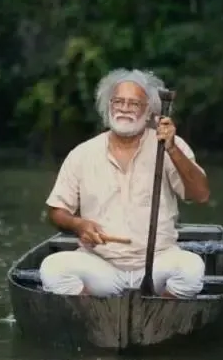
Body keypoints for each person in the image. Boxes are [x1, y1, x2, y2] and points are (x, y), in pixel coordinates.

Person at [38, 68, 211, 298]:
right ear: (108, 106)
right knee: (52, 269)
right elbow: (56, 212)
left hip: (158, 261)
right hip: (100, 264)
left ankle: (157, 317)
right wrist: (78, 225)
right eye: (118, 101)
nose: (124, 108)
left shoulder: (169, 145)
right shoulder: (82, 153)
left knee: (192, 269)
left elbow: (201, 195)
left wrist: (171, 149)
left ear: (149, 110)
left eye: (134, 103)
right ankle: (97, 320)